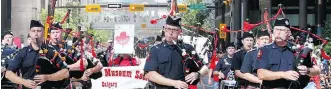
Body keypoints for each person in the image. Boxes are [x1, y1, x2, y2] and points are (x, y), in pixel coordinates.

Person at [144, 15, 209, 89]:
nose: (170, 33)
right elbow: (149, 74)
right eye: (168, 29)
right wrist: (174, 83)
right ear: (164, 29)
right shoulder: (156, 49)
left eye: (174, 30)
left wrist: (198, 74)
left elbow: (206, 68)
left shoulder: (188, 48)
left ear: (179, 32)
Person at [255, 18, 321, 88]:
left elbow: (317, 70)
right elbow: (261, 74)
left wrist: (307, 70)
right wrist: (283, 74)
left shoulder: (298, 50)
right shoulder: (265, 50)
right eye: (276, 30)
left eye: (282, 30)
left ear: (288, 33)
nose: (278, 33)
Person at [5, 20, 68, 89]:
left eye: (39, 31)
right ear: (30, 33)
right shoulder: (22, 52)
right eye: (33, 31)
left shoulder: (51, 52)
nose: (36, 34)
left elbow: (66, 72)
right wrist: (24, 81)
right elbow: (8, 74)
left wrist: (48, 77)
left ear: (44, 33)